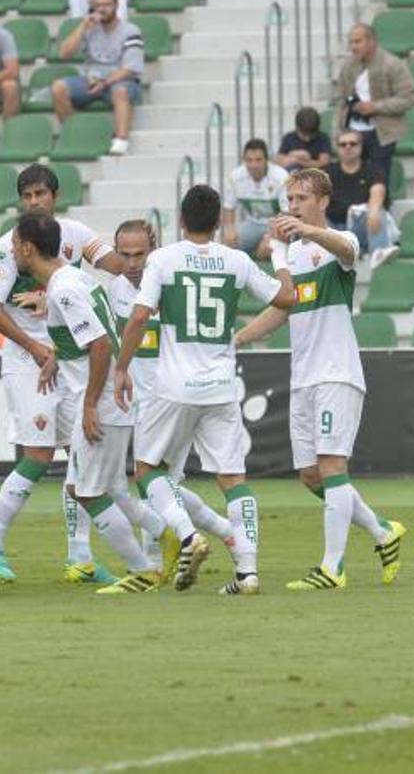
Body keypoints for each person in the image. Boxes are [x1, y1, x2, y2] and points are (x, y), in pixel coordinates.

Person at [112, 184, 296, 596]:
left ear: (180, 220)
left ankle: (187, 534)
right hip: (220, 386)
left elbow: (139, 318)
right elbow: (287, 298)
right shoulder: (236, 260)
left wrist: (122, 368)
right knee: (233, 479)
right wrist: (281, 255)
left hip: (173, 386)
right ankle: (247, 572)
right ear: (218, 223)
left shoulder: (163, 259)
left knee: (147, 470)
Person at [234, 168, 407, 591]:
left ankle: (333, 568)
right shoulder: (293, 256)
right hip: (304, 377)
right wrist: (237, 339)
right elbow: (283, 307)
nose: (291, 205)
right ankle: (384, 532)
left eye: (301, 198)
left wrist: (306, 231)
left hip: (336, 372)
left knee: (332, 466)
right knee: (312, 476)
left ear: (323, 201)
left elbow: (347, 248)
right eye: (289, 199)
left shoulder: (339, 243)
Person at [0, 164, 126, 585]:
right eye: (28, 196)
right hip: (29, 361)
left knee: (79, 457)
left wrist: (138, 259)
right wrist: (36, 347)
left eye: (41, 194)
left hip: (65, 358)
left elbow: (113, 262)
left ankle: (80, 557)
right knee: (38, 455)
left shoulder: (73, 234)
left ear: (54, 196)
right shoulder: (9, 246)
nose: (34, 201)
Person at [13, 211, 161, 593]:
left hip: (98, 403)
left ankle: (144, 568)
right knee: (105, 489)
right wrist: (56, 361)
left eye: (15, 244)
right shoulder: (75, 279)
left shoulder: (64, 288)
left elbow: (98, 344)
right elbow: (90, 339)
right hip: (103, 399)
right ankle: (181, 538)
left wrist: (91, 404)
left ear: (28, 248)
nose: (12, 250)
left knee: (88, 492)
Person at [107, 219, 235, 578]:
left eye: (140, 254)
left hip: (172, 400)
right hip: (137, 403)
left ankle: (154, 565)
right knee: (163, 488)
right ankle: (227, 532)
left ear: (155, 249)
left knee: (153, 485)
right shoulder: (115, 288)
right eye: (124, 255)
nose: (132, 263)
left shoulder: (171, 281)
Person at [52, 0, 143, 156]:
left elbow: (129, 69)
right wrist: (83, 26)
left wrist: (105, 82)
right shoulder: (89, 28)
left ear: (116, 6)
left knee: (121, 91)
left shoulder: (130, 31)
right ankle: (76, 133)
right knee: (59, 88)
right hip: (91, 81)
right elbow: (64, 53)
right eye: (98, 5)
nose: (102, 9)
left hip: (121, 81)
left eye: (107, 4)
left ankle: (121, 140)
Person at [331, 23, 414, 182]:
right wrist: (338, 131)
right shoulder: (348, 67)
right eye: (351, 42)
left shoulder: (392, 64)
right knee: (351, 178)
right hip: (353, 130)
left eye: (358, 42)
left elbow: (408, 98)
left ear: (371, 41)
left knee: (379, 178)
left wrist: (375, 107)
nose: (353, 47)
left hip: (382, 132)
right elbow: (341, 101)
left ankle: (382, 206)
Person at [324, 132, 400, 268]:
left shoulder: (373, 170)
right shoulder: (327, 173)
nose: (348, 147)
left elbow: (378, 191)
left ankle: (379, 253)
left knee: (377, 209)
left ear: (361, 146)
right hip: (335, 229)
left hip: (361, 228)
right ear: (337, 148)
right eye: (343, 144)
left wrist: (373, 210)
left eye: (353, 144)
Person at [221, 138, 289, 258]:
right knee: (226, 243)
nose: (253, 165)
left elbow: (287, 213)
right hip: (253, 223)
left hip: (278, 225)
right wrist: (230, 229)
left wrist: (271, 235)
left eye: (258, 160)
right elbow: (228, 207)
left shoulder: (281, 176)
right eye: (249, 160)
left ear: (267, 160)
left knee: (267, 249)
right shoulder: (235, 177)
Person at [276, 106, 331, 173]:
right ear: (297, 128)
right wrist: (294, 154)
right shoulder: (289, 138)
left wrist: (298, 161)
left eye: (311, 135)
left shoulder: (323, 138)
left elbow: (323, 163)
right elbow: (279, 162)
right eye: (304, 135)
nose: (308, 139)